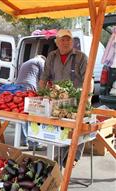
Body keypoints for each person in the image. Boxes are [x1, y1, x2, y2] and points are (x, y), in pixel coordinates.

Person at [39, 29, 93, 167]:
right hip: (57, 99)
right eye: (62, 39)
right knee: (59, 130)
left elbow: (88, 78)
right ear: (56, 42)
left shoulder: (81, 57)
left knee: (78, 128)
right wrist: (40, 95)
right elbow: (45, 76)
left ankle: (72, 156)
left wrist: (87, 98)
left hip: (77, 99)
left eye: (68, 39)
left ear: (73, 41)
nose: (65, 42)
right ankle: (58, 158)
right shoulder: (52, 56)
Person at [16, 55, 46, 150]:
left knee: (23, 114)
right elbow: (43, 79)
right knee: (32, 114)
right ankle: (34, 144)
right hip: (29, 88)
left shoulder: (27, 62)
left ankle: (23, 140)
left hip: (18, 88)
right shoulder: (41, 62)